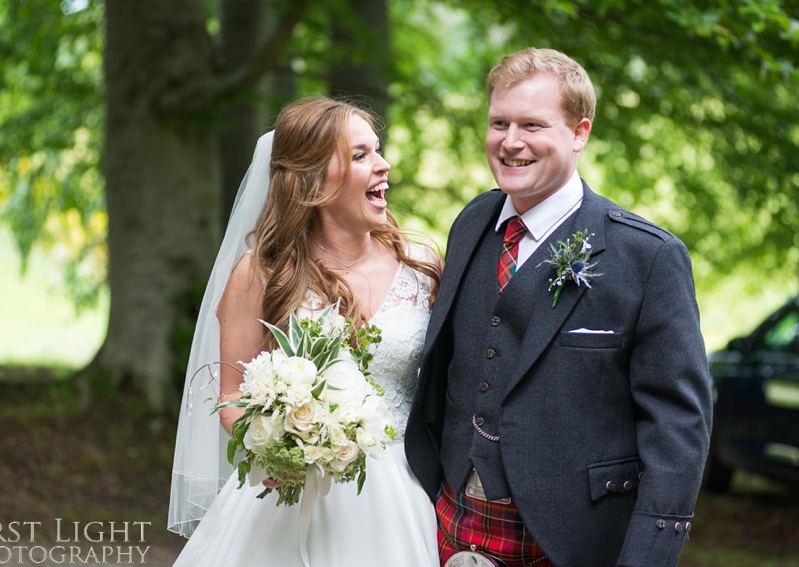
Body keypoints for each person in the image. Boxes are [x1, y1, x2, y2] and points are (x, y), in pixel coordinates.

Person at [405, 47, 713, 567]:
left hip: (574, 540)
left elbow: (678, 424)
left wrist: (648, 554)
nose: (510, 142)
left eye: (532, 124)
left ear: (579, 132)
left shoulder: (649, 257)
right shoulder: (472, 223)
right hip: (449, 520)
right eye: (498, 122)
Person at [168, 96, 442, 566]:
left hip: (402, 495)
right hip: (289, 501)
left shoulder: (422, 268)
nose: (383, 165)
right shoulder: (261, 275)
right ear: (313, 178)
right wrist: (276, 449)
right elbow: (231, 394)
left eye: (377, 150)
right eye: (360, 156)